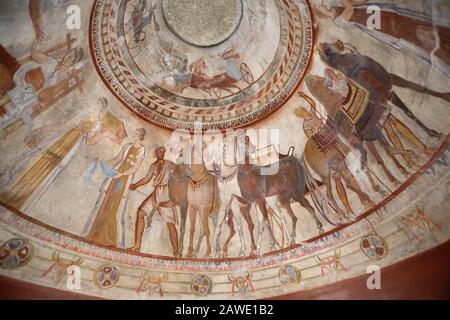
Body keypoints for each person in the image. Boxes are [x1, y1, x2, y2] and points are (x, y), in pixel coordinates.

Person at [83, 128, 147, 248]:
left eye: (136, 133)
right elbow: (117, 159)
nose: (134, 134)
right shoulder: (128, 146)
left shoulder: (142, 150)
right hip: (115, 176)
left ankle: (110, 239)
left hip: (124, 179)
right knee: (105, 203)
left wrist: (122, 174)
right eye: (135, 132)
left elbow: (135, 168)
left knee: (115, 207)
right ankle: (94, 235)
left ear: (141, 136)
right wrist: (103, 163)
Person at [128, 145, 179, 256]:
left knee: (170, 223)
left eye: (163, 151)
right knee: (140, 212)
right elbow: (147, 178)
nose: (161, 153)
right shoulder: (153, 166)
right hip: (156, 193)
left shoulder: (169, 164)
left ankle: (176, 251)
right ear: (156, 153)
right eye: (159, 151)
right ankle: (137, 245)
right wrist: (135, 185)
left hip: (167, 194)